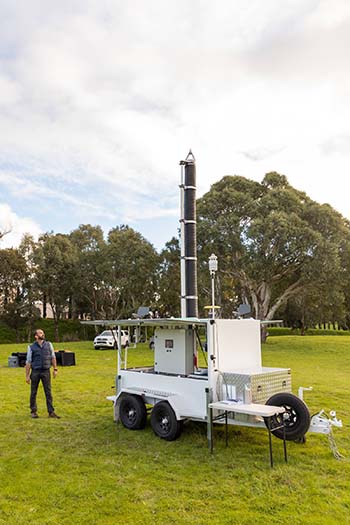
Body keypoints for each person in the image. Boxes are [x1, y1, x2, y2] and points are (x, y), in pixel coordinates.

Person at [25, 329, 60, 419]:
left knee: (48, 392)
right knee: (33, 392)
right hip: (35, 372)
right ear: (36, 336)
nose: (42, 334)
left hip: (46, 371)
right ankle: (33, 411)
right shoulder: (31, 347)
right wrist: (27, 376)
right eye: (40, 333)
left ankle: (51, 412)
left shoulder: (49, 345)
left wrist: (55, 369)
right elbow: (28, 362)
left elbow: (53, 357)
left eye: (43, 333)